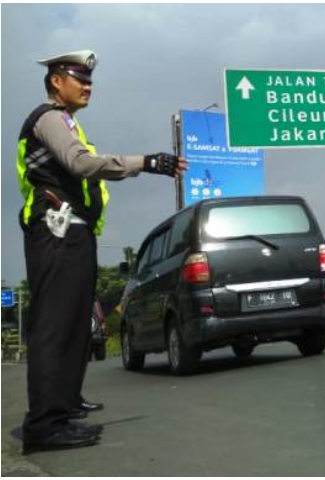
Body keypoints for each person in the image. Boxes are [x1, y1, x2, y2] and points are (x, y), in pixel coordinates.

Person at [17, 49, 187, 454]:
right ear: (57, 81)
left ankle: (62, 408)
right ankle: (43, 425)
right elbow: (79, 164)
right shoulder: (49, 118)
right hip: (55, 235)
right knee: (54, 329)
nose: (88, 85)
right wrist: (145, 162)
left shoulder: (68, 122)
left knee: (76, 328)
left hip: (74, 235)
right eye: (79, 77)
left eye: (90, 79)